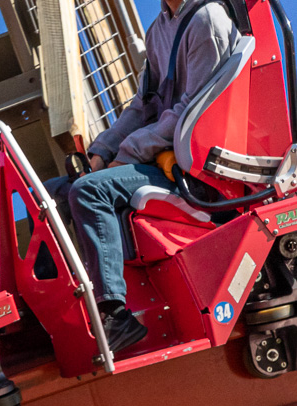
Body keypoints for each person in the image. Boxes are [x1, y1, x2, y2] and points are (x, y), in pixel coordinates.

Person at [51, 0, 238, 355]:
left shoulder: (206, 20)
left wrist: (126, 154)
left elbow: (193, 111)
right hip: (167, 159)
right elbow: (144, 106)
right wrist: (102, 151)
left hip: (196, 174)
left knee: (91, 193)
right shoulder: (159, 30)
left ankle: (114, 313)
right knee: (52, 194)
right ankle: (57, 309)